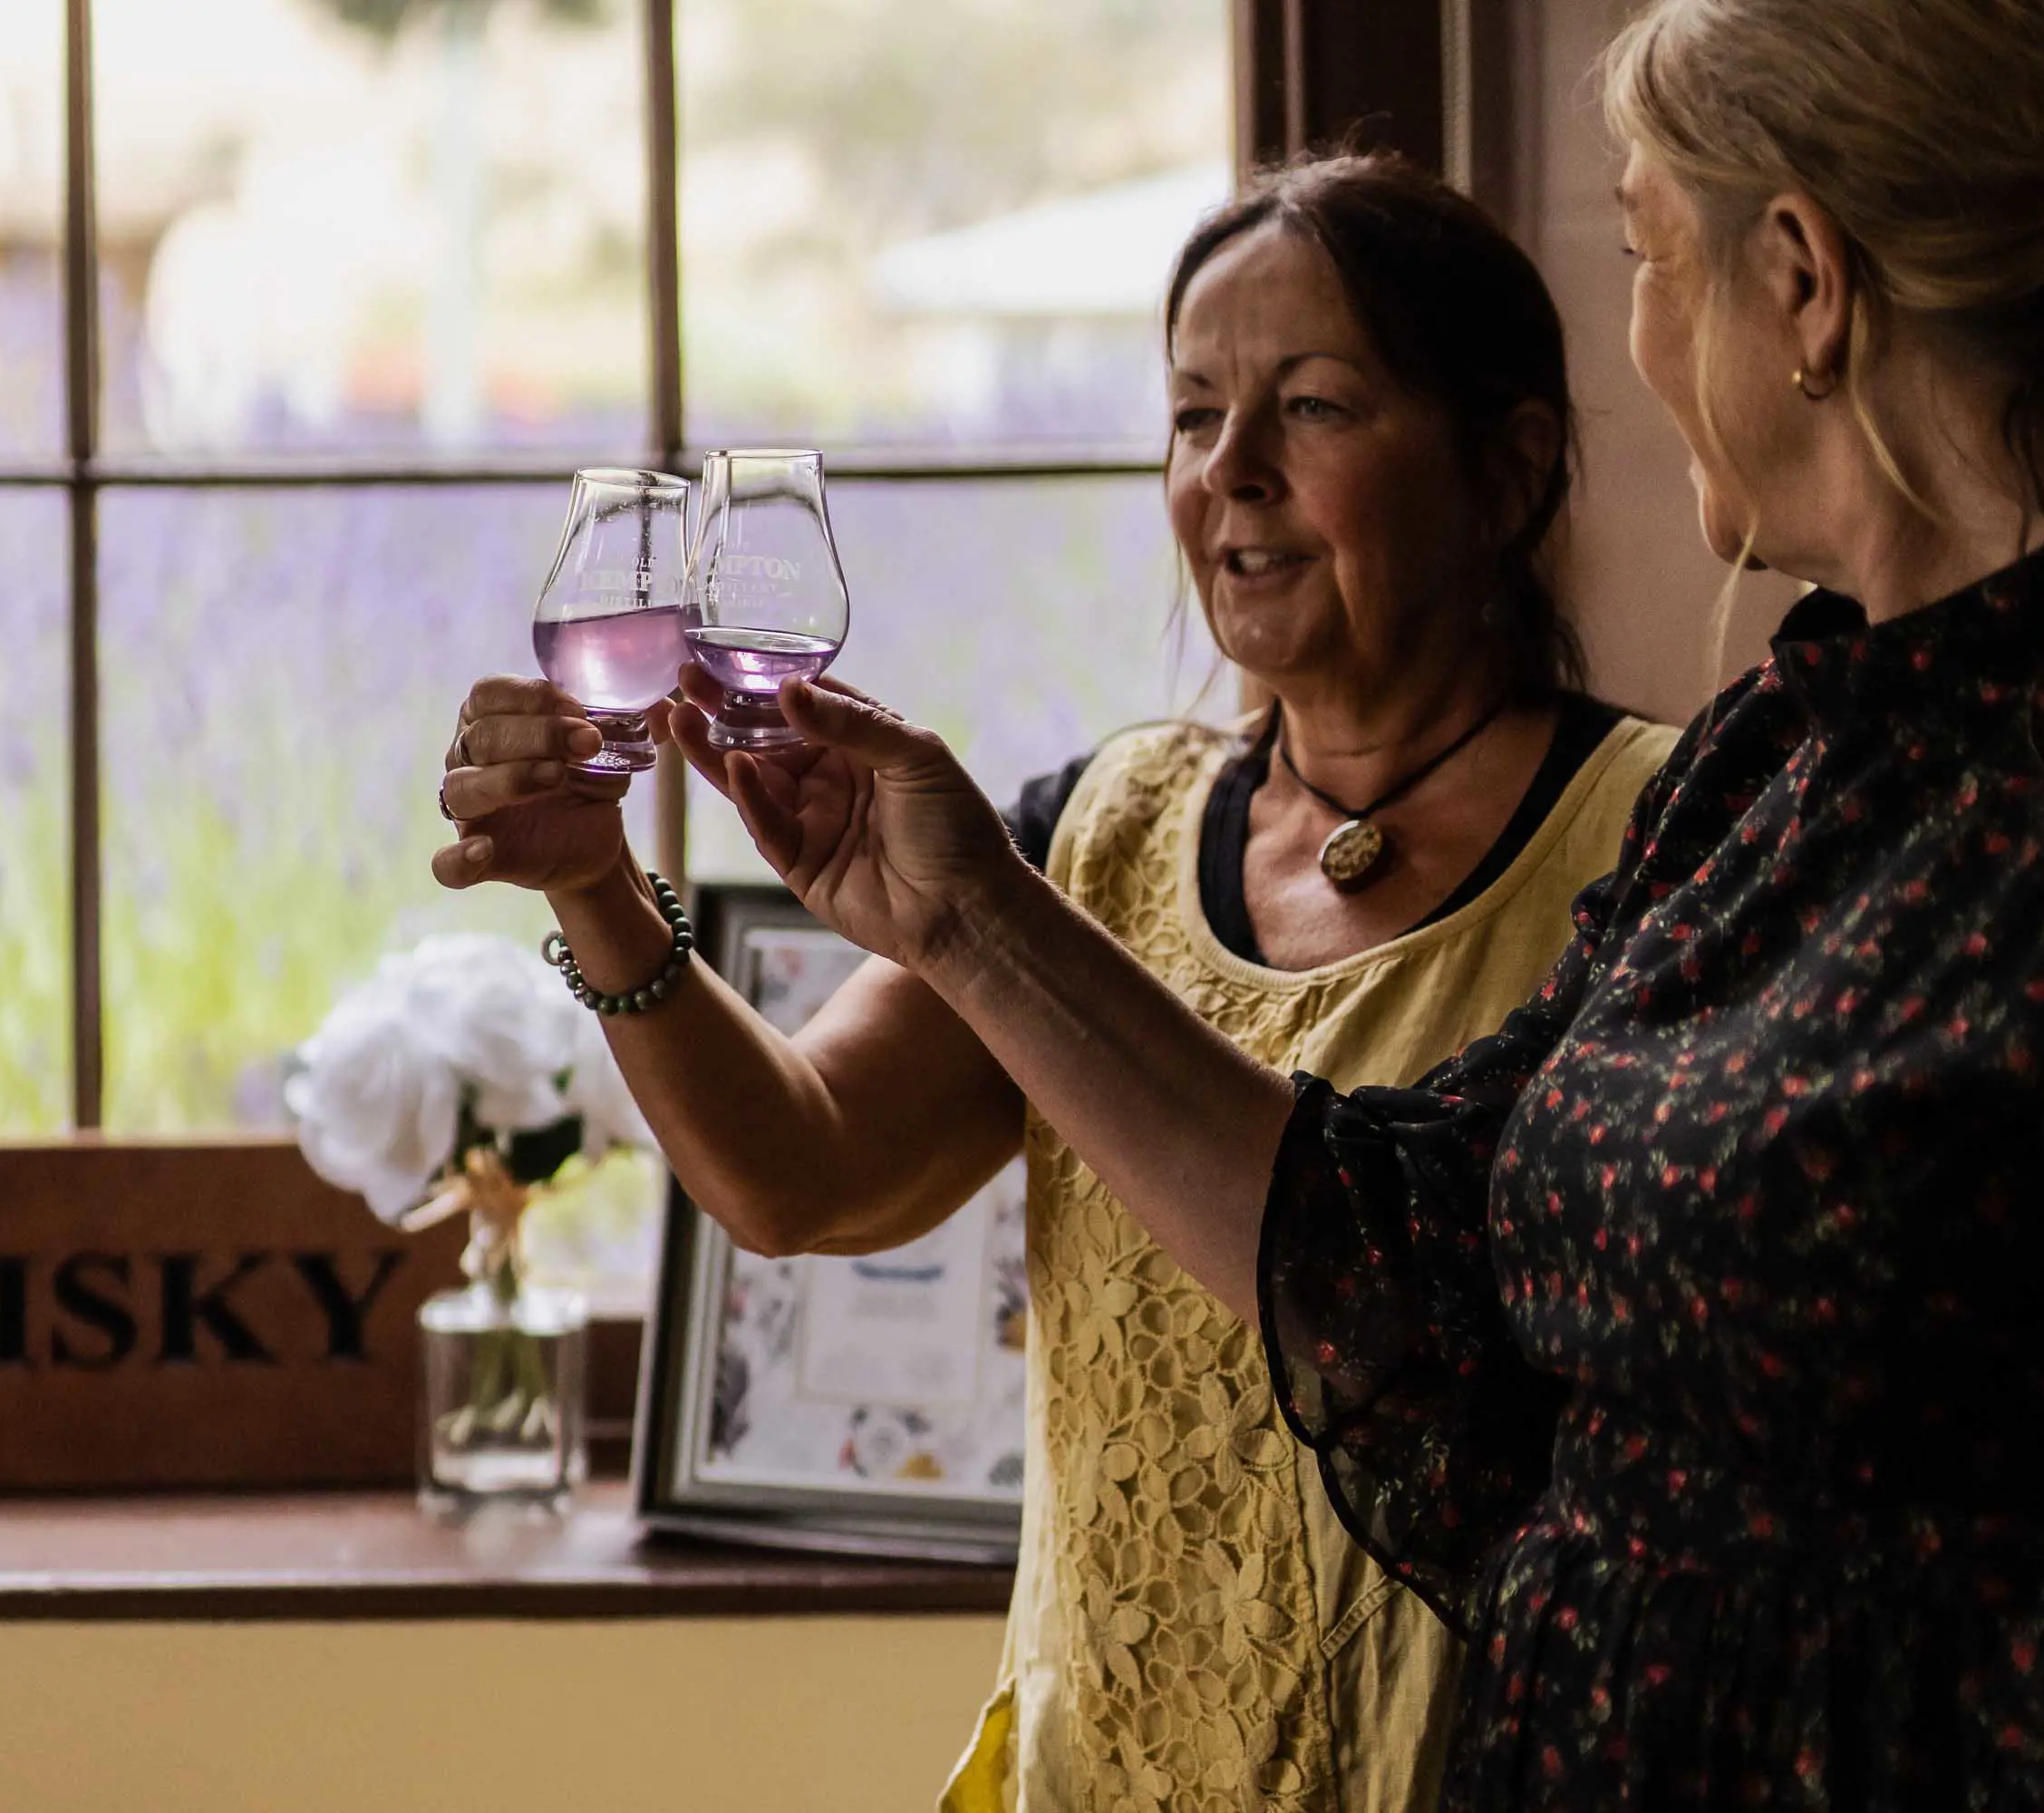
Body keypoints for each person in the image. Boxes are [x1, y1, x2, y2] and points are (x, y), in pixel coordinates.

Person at [538, 0, 2044, 1800]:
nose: (1231, 474)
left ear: (1805, 288)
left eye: (1646, 254)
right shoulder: (1792, 760)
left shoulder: (1838, 789)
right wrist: (900, 909)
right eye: (1194, 415)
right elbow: (1412, 1252)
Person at [437, 155, 1675, 1808]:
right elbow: (797, 1171)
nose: (1228, 474)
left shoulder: (1666, 845)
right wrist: (595, 888)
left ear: (1507, 468)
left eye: (1309, 409)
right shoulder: (1096, 834)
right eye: (1190, 415)